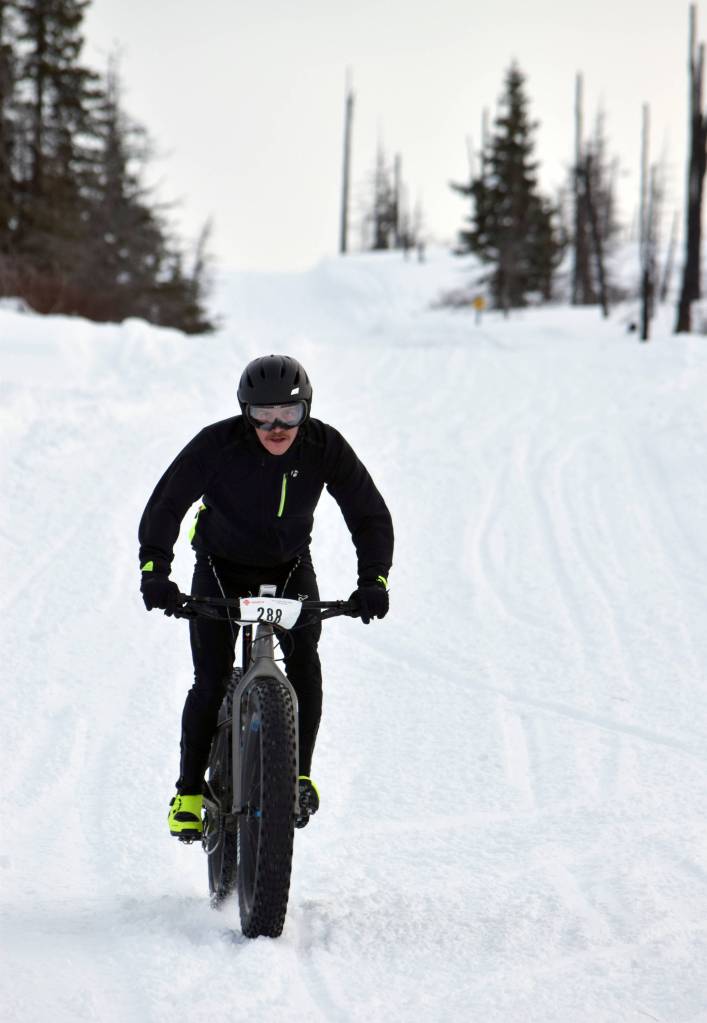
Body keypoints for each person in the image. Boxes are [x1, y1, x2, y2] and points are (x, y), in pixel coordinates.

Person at [138, 354, 394, 840]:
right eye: (262, 416)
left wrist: (373, 579)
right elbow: (167, 503)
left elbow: (369, 514)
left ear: (307, 411)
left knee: (305, 664)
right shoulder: (217, 445)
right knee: (210, 679)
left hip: (289, 564)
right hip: (219, 565)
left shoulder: (325, 447)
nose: (276, 427)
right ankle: (189, 792)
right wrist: (156, 571)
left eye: (289, 415)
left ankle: (297, 777)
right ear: (244, 412)